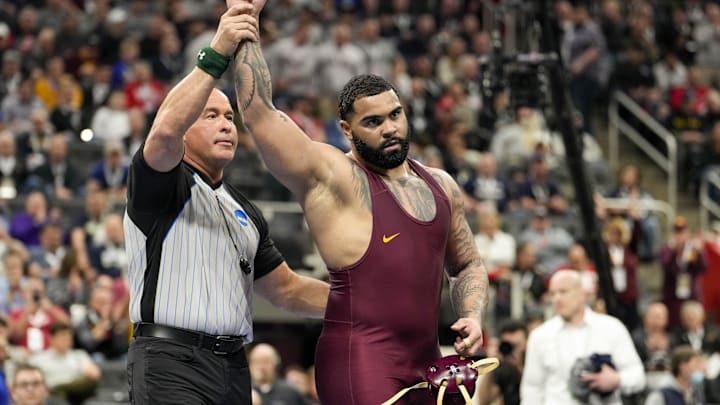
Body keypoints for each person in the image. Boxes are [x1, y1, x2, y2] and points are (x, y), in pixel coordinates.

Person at [232, 3, 489, 403]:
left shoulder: (441, 184)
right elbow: (260, 113)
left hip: (428, 363)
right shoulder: (334, 177)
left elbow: (468, 263)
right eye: (373, 122)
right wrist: (244, 18)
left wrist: (472, 315)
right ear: (346, 130)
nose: (389, 129)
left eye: (395, 115)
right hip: (361, 359)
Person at [123, 4, 329, 405]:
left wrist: (367, 304)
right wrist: (220, 45)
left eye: (230, 117)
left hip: (233, 365)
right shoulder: (162, 183)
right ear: (187, 127)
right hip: (170, 361)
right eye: (211, 115)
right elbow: (164, 129)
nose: (225, 124)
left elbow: (286, 290)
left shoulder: (245, 212)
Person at [521, 270, 645, 404]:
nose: (557, 299)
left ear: (582, 293)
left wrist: (617, 379)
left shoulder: (612, 328)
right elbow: (531, 389)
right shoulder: (540, 336)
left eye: (563, 291)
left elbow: (638, 376)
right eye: (552, 294)